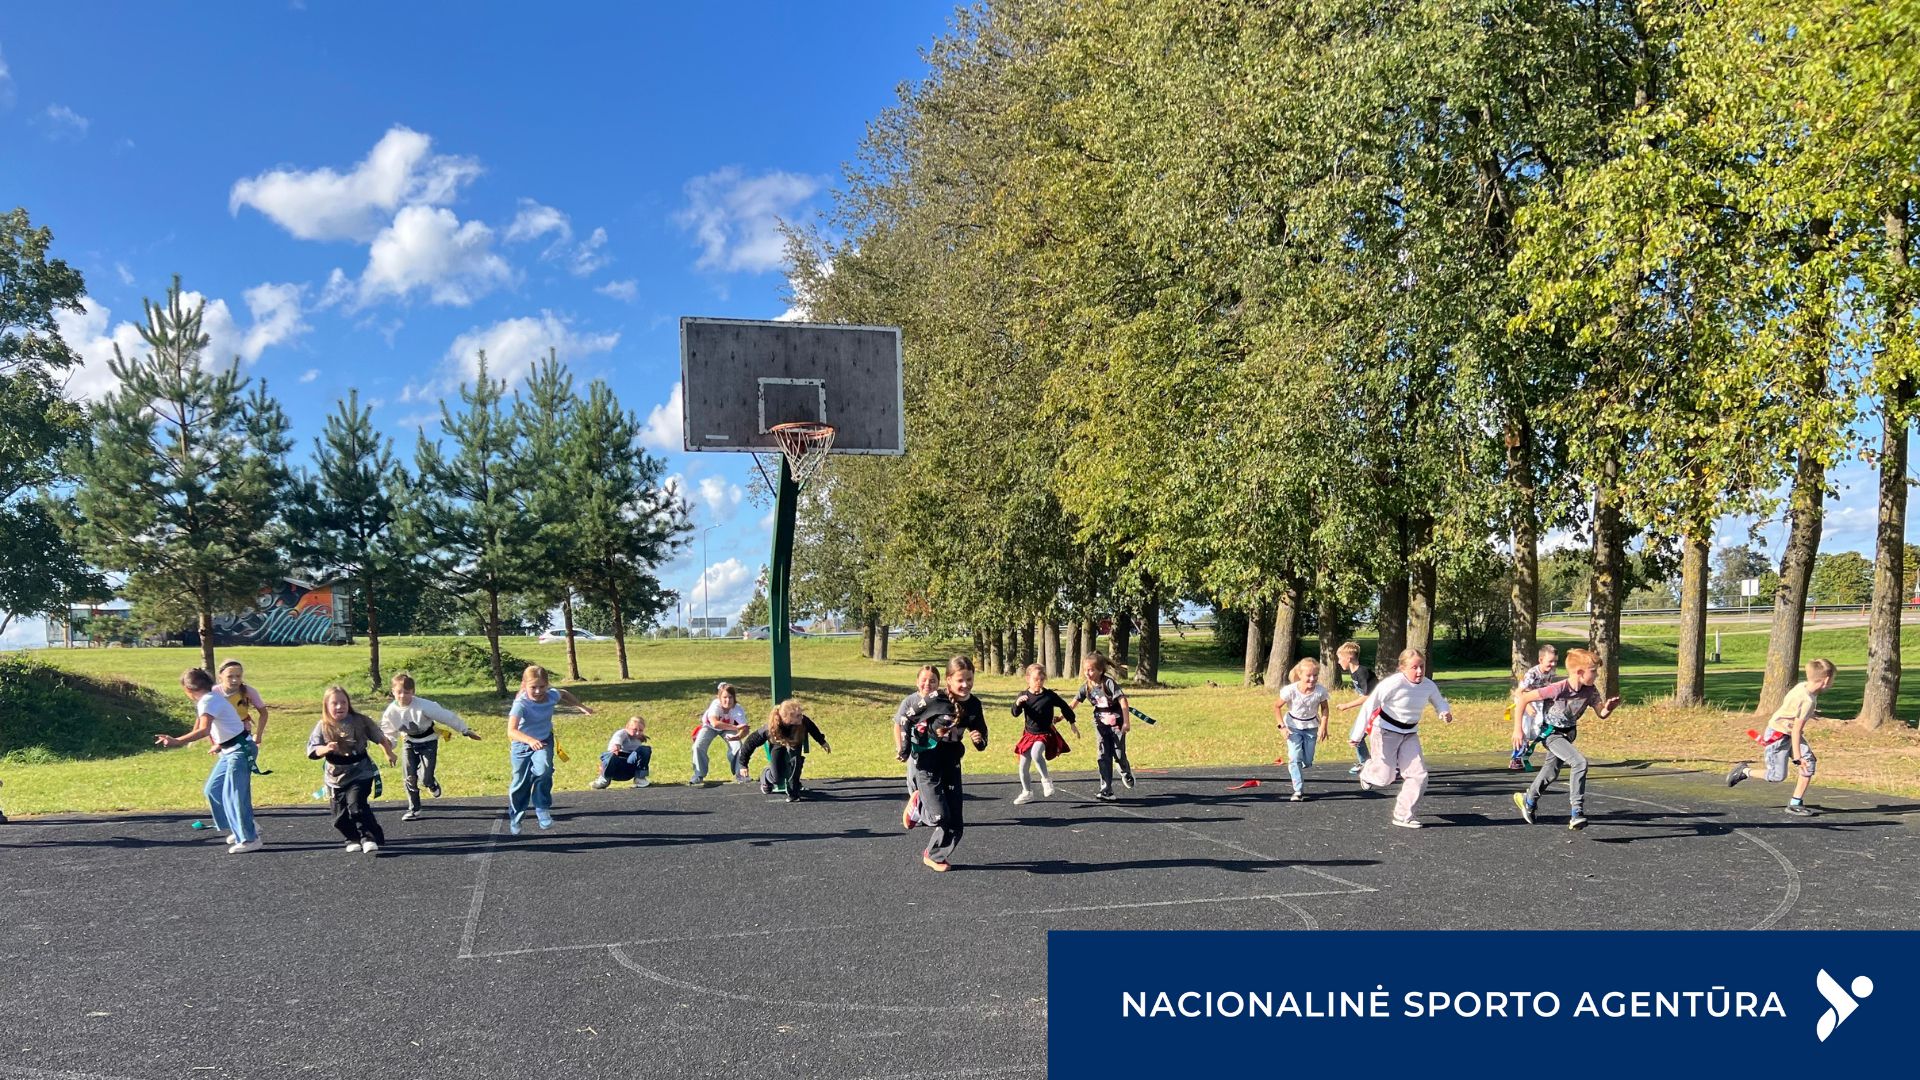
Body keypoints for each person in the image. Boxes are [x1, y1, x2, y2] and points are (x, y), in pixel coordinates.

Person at [154, 667, 263, 854]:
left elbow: (204, 729)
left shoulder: (208, 701)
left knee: (235, 796)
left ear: (188, 689)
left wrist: (177, 741)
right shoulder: (211, 698)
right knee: (213, 789)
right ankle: (241, 826)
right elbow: (226, 725)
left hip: (239, 750)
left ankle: (249, 838)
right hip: (229, 749)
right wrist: (220, 744)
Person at [1509, 648, 1620, 830]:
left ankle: (1528, 799)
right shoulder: (1558, 688)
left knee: (1551, 771)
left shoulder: (1590, 690)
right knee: (1579, 763)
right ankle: (1577, 813)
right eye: (1593, 671)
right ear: (1580, 672)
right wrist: (1518, 730)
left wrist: (1608, 708)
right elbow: (1523, 699)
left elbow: (1601, 713)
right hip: (1551, 734)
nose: (1597, 675)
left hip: (1568, 734)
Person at [900, 655, 989, 871]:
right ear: (948, 680)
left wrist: (979, 739)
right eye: (960, 680)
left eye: (969, 679)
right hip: (928, 763)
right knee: (939, 815)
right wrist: (905, 748)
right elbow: (905, 719)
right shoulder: (934, 698)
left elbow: (982, 735)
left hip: (951, 763)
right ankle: (919, 805)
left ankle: (934, 855)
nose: (965, 685)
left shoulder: (974, 705)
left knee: (955, 822)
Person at [1355, 647, 1454, 828]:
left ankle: (1403, 815)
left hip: (1409, 734)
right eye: (1414, 667)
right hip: (1385, 732)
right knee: (1385, 778)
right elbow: (1369, 706)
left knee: (1419, 775)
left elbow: (1439, 701)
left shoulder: (1428, 685)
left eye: (1422, 666)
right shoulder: (1392, 684)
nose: (1419, 671)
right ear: (1402, 668)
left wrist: (1444, 712)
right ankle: (1368, 771)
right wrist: (1357, 734)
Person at [1727, 658, 1835, 817]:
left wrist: (1808, 714)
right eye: (1833, 680)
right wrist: (1797, 758)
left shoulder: (1803, 686)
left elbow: (1792, 709)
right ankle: (1744, 771)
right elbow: (1797, 730)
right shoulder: (1807, 700)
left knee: (1809, 763)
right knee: (1777, 776)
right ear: (1825, 680)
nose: (1833, 683)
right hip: (1778, 737)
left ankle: (1795, 803)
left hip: (1788, 733)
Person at [307, 686, 397, 854]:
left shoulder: (360, 721)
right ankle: (352, 838)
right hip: (335, 776)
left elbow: (380, 737)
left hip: (360, 771)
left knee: (356, 805)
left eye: (343, 702)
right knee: (338, 817)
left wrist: (389, 753)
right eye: (334, 703)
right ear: (326, 706)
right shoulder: (322, 726)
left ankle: (368, 838)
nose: (340, 706)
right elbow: (313, 750)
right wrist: (326, 749)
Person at [379, 672, 481, 821]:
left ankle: (431, 783)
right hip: (409, 742)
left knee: (425, 777)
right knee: (409, 777)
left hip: (428, 741)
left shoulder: (424, 706)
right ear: (393, 692)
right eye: (399, 692)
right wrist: (389, 746)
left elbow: (447, 717)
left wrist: (465, 730)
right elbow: (388, 733)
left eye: (407, 692)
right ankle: (414, 809)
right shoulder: (391, 712)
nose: (402, 696)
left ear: (413, 692)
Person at [507, 664, 591, 835]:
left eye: (542, 687)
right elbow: (511, 731)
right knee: (520, 783)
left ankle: (542, 808)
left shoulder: (551, 695)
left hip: (544, 741)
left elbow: (564, 693)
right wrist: (530, 740)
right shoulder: (521, 704)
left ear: (547, 685)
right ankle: (516, 816)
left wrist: (581, 706)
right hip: (522, 744)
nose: (538, 691)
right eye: (533, 687)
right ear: (524, 685)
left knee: (544, 771)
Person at [737, 700, 832, 801]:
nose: (801, 717)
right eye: (798, 716)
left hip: (795, 742)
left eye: (801, 714)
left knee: (796, 762)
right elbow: (750, 743)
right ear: (787, 718)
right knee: (777, 778)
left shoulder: (802, 721)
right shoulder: (770, 728)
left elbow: (812, 728)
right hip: (777, 744)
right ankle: (766, 775)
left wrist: (822, 741)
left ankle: (794, 792)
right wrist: (743, 764)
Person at [1010, 663, 1077, 805]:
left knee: (1036, 753)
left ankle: (1046, 781)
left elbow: (1064, 706)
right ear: (1028, 679)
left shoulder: (1049, 695)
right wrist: (1018, 703)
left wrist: (1072, 722)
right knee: (1023, 765)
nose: (1039, 682)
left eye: (1041, 679)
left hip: (1045, 733)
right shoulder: (1023, 696)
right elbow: (1015, 713)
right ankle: (1027, 792)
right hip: (1029, 734)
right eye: (1036, 679)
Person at [1074, 653, 1133, 802]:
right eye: (1085, 670)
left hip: (1116, 724)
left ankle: (1125, 771)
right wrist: (1061, 717)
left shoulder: (1108, 683)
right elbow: (1073, 703)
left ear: (1100, 670)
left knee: (1119, 754)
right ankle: (1106, 789)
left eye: (1091, 670)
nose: (1087, 673)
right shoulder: (1086, 687)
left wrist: (1126, 722)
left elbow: (1123, 701)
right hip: (1100, 725)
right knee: (1103, 755)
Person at [1274, 657, 1331, 801]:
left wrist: (1323, 726)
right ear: (1300, 675)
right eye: (1308, 675)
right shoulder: (1290, 690)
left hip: (1311, 727)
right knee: (1294, 758)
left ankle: (1301, 763)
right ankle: (1298, 791)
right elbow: (1277, 707)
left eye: (1315, 675)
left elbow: (1325, 708)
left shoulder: (1320, 691)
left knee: (1308, 760)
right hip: (1293, 728)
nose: (1312, 679)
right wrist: (1282, 727)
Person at [1508, 644, 1559, 771]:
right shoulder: (1532, 674)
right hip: (1525, 702)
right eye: (1550, 661)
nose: (1553, 664)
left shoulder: (1551, 672)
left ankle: (1553, 753)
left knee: (1538, 730)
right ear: (1541, 660)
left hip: (1538, 701)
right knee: (1523, 730)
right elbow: (1518, 692)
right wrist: (1527, 706)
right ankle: (1516, 758)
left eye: (1555, 661)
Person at [892, 666, 940, 794]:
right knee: (914, 780)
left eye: (932, 681)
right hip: (915, 748)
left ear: (938, 683)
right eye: (924, 680)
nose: (927, 684)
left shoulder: (941, 702)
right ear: (917, 682)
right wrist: (901, 748)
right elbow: (898, 725)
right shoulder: (910, 701)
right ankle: (916, 803)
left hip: (937, 749)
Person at [691, 682, 748, 786]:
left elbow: (745, 729)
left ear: (734, 697)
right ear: (719, 698)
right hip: (710, 727)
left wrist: (738, 736)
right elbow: (715, 723)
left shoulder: (738, 709)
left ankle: (740, 775)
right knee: (698, 746)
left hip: (728, 729)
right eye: (725, 697)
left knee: (738, 746)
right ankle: (698, 775)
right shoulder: (715, 705)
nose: (728, 700)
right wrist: (736, 728)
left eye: (730, 697)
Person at [1334, 641, 1378, 774]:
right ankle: (1366, 762)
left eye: (1340, 658)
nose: (1338, 662)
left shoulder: (1362, 672)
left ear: (1349, 658)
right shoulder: (1353, 673)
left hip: (1379, 711)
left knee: (1357, 735)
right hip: (1370, 710)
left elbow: (1368, 696)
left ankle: (1368, 763)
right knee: (1355, 735)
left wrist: (1346, 705)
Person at [592, 716, 654, 790]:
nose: (637, 733)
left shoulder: (639, 737)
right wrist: (617, 746)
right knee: (609, 755)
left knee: (645, 749)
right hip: (615, 768)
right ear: (627, 727)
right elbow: (617, 739)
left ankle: (640, 778)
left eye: (640, 730)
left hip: (629, 769)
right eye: (634, 729)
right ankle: (604, 779)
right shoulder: (621, 733)